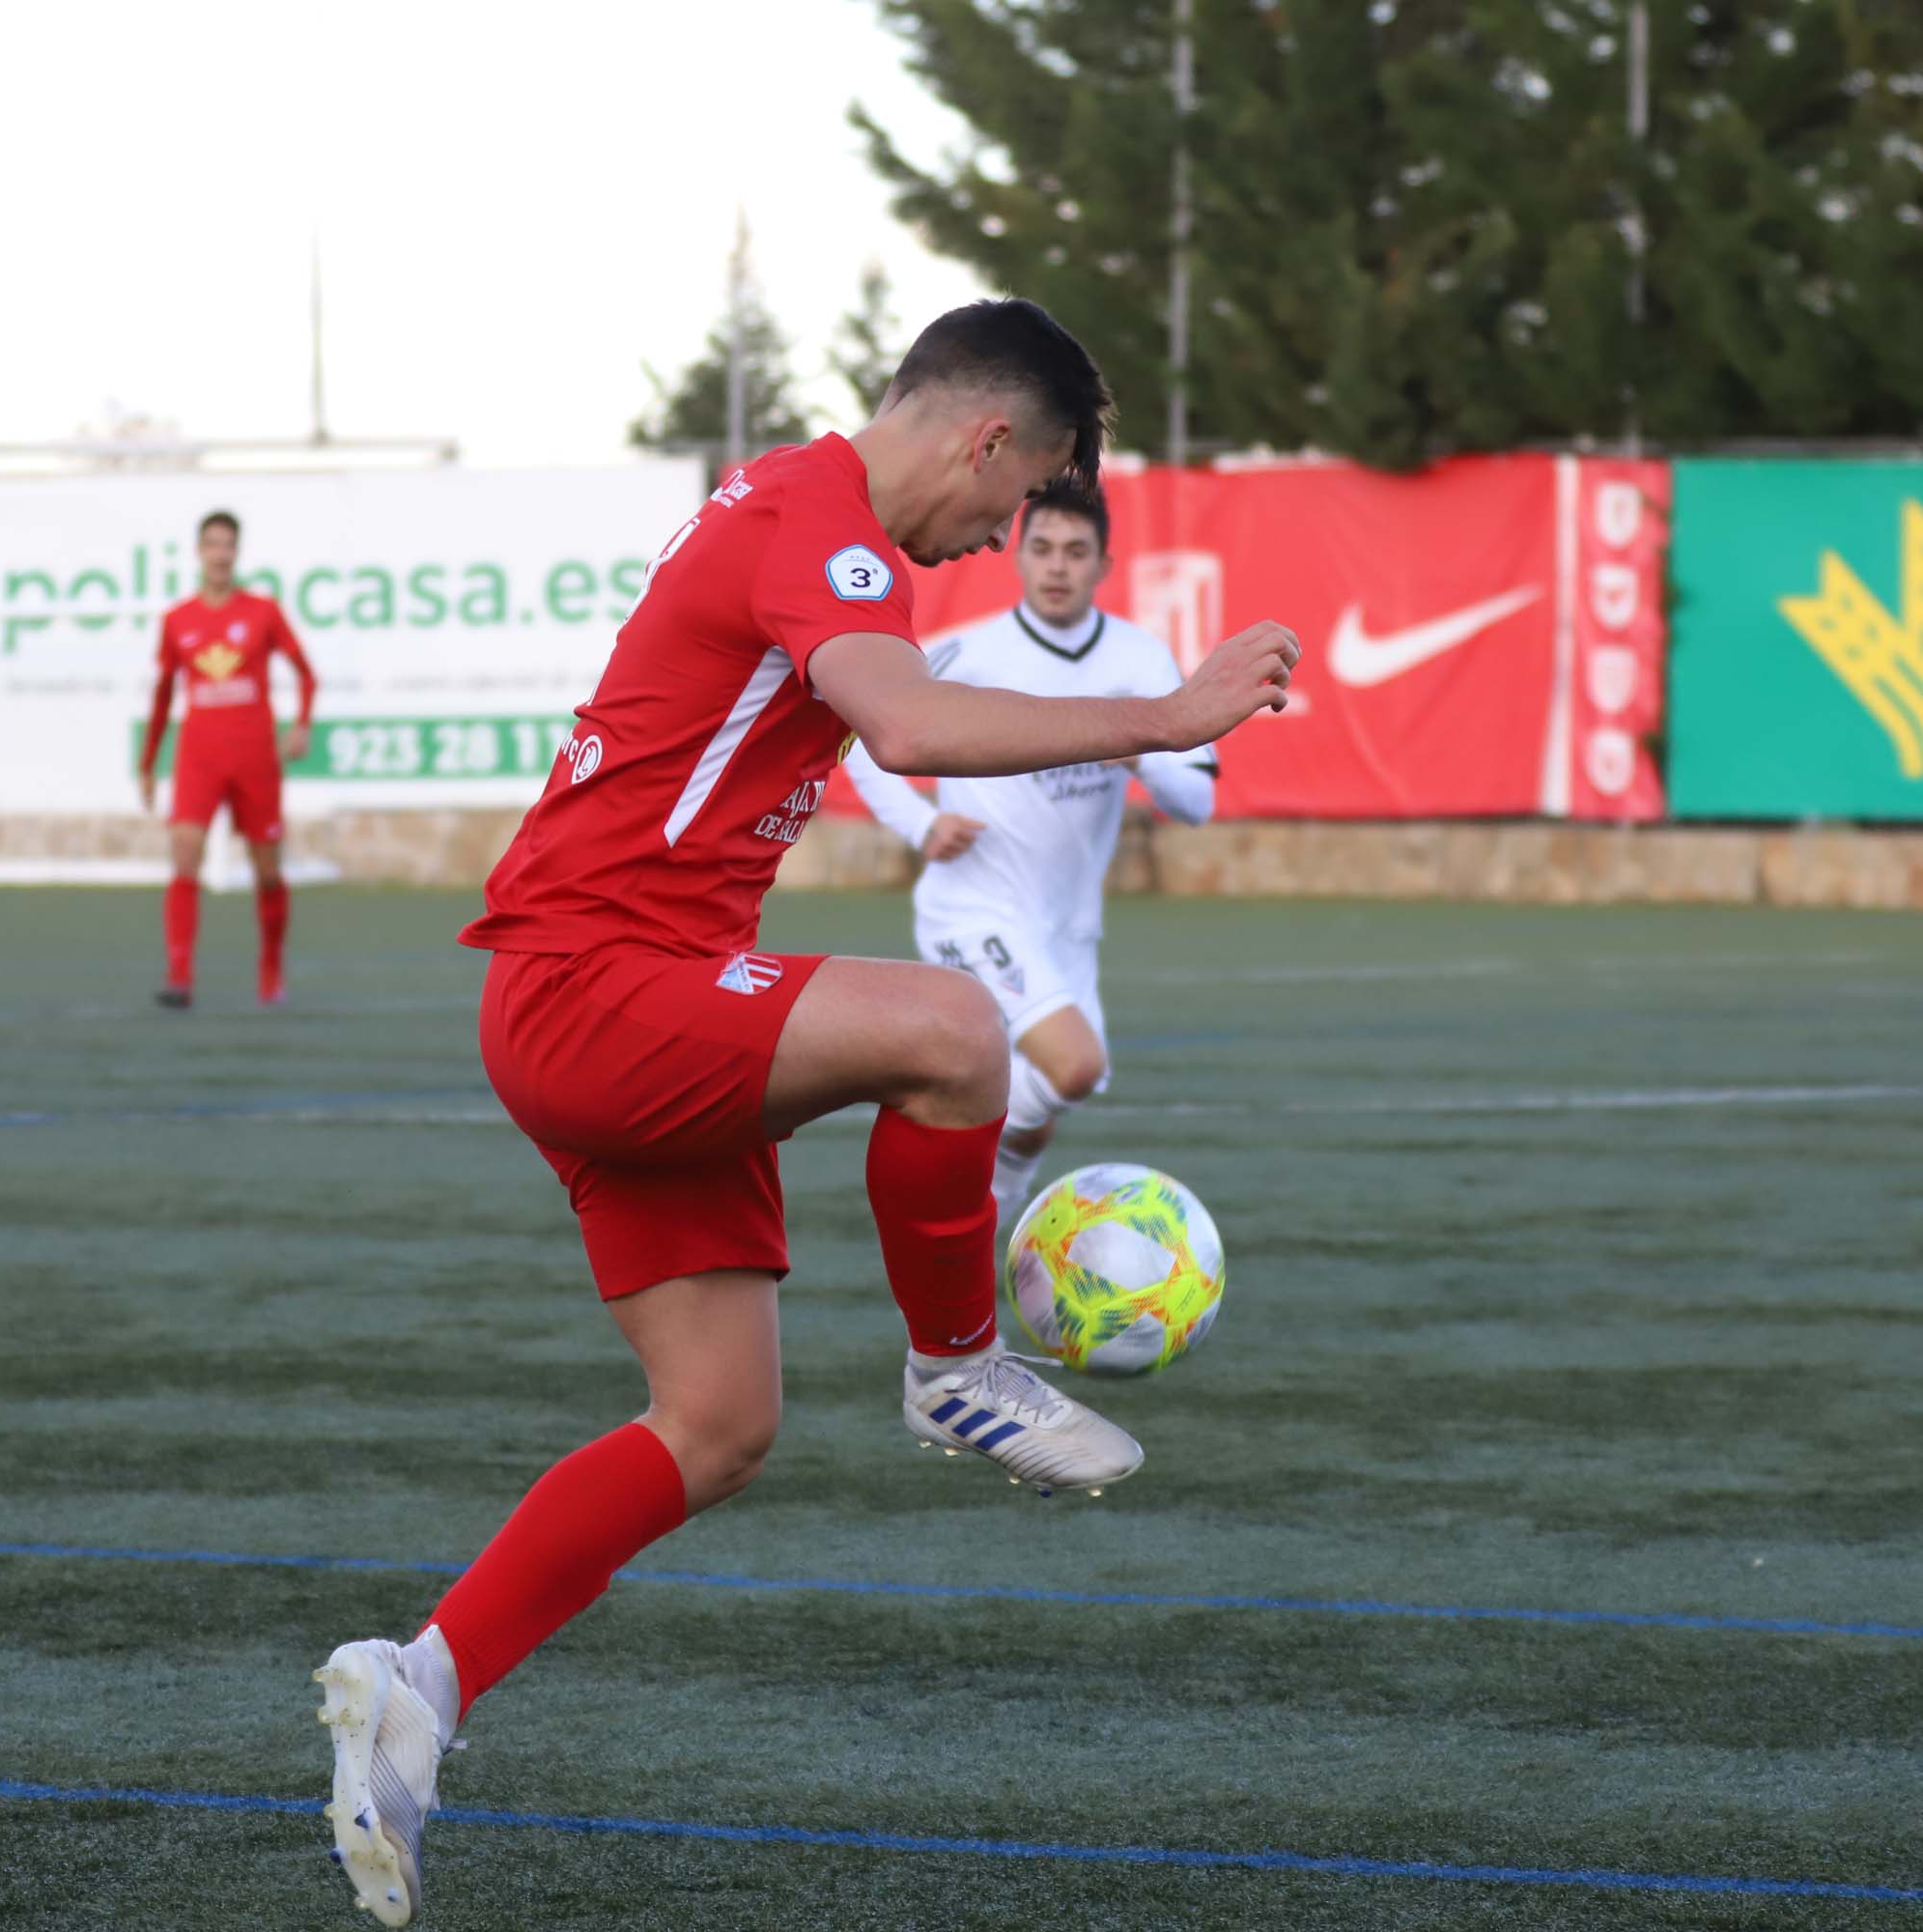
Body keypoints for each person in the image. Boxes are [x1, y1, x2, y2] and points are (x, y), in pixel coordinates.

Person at [307, 298, 1300, 1925]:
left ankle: (421, 1682)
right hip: (596, 984)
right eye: (1017, 499)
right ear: (990, 439)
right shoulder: (817, 518)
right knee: (957, 1029)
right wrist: (1164, 715)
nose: (1001, 539)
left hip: (628, 991)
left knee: (717, 1425)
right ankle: (955, 1368)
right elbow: (907, 725)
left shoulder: (809, 522)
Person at [841, 475, 1215, 1226]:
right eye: (1042, 548)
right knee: (1074, 1065)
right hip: (974, 905)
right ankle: (946, 1165)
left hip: (1067, 929)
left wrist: (1138, 748)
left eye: (1076, 552)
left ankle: (979, 1220)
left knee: (1049, 1102)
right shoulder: (971, 652)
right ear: (1017, 556)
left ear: (1104, 565)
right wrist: (919, 825)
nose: (1057, 566)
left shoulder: (1140, 660)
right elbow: (859, 731)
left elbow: (1196, 802)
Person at [136, 510, 316, 1008]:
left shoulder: (263, 612)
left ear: (237, 552)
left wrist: (301, 724)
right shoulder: (177, 619)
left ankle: (271, 966)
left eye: (228, 545)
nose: (220, 554)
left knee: (267, 870)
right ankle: (179, 977)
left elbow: (306, 673)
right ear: (199, 552)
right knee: (184, 853)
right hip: (199, 756)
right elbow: (161, 696)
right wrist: (148, 763)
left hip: (254, 756)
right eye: (212, 544)